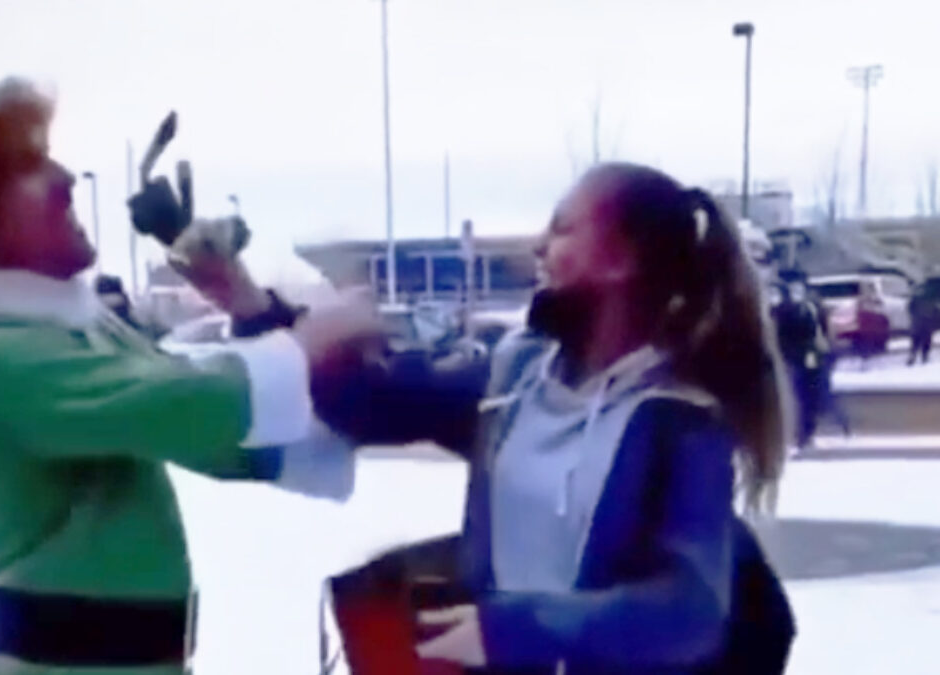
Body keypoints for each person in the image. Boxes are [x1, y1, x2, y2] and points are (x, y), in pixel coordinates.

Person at [0, 7, 377, 674]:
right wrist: (310, 343)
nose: (64, 178)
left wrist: (242, 299)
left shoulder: (66, 327)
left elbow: (211, 432)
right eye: (28, 165)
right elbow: (184, 402)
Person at [325, 163, 796, 674]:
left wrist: (515, 630)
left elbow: (690, 613)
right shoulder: (515, 382)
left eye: (563, 229)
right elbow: (378, 403)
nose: (538, 246)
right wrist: (295, 330)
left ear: (620, 260)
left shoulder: (679, 421)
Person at [773, 279, 826, 450]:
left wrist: (815, 361)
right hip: (791, 359)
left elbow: (817, 334)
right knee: (796, 395)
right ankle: (798, 434)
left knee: (809, 394)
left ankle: (806, 433)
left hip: (807, 357)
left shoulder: (810, 309)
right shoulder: (781, 312)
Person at [908, 286, 939, 366]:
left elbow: (910, 309)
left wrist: (914, 316)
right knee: (926, 341)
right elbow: (936, 312)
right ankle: (924, 356)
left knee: (915, 341)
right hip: (927, 323)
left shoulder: (915, 299)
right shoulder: (931, 300)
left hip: (917, 322)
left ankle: (913, 356)